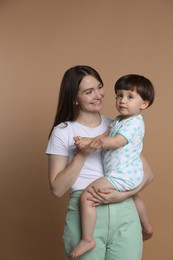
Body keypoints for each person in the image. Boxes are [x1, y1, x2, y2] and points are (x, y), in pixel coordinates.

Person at [46, 66, 154, 260]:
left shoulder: (117, 125)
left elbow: (147, 174)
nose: (98, 95)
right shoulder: (63, 131)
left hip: (125, 213)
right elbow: (57, 189)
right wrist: (81, 155)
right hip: (86, 213)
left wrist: (122, 196)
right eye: (89, 92)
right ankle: (87, 239)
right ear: (74, 98)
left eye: (99, 87)